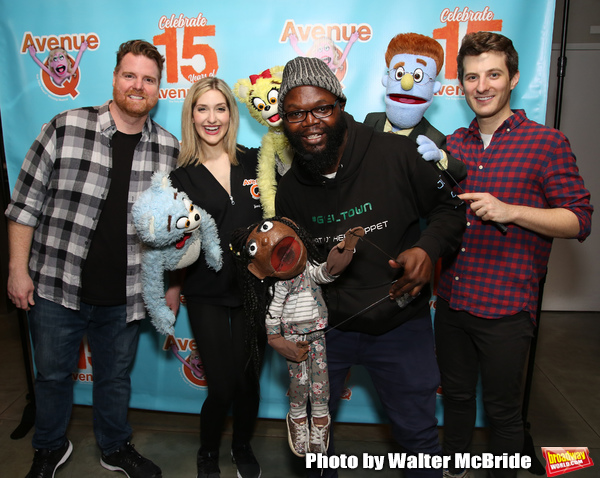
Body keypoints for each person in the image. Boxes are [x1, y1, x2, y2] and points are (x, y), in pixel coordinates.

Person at [274, 56, 467, 478]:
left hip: (400, 322)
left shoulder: (397, 153)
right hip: (326, 330)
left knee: (418, 439)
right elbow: (296, 270)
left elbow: (450, 212)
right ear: (283, 121)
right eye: (295, 114)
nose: (310, 122)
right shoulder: (289, 189)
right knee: (312, 444)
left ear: (340, 105)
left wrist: (427, 248)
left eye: (321, 108)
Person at [6, 39, 180, 478]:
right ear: (115, 78)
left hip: (125, 295)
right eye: (130, 75)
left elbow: (176, 231)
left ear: (159, 89)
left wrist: (172, 287)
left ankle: (114, 447)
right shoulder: (65, 127)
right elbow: (24, 206)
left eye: (149, 79)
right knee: (51, 378)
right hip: (54, 286)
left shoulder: (169, 149)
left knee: (115, 379)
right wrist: (16, 270)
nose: (138, 85)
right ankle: (49, 447)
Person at [434, 32, 593, 478]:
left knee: (504, 413)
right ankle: (453, 468)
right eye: (471, 77)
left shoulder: (546, 143)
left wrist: (511, 211)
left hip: (506, 307)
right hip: (451, 299)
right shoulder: (451, 146)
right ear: (461, 84)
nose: (482, 86)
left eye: (493, 75)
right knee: (458, 398)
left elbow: (579, 220)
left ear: (514, 79)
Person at [167, 77, 264, 478]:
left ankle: (241, 447)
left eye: (220, 108)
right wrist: (172, 287)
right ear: (191, 115)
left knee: (248, 380)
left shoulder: (257, 161)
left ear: (231, 113)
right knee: (221, 385)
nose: (212, 118)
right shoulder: (180, 177)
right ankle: (208, 452)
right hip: (205, 290)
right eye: (202, 108)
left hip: (256, 288)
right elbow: (171, 243)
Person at [230, 217, 363, 458]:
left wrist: (345, 249)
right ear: (257, 268)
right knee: (298, 383)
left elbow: (327, 272)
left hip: (317, 334)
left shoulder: (310, 271)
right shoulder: (278, 287)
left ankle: (321, 420)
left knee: (321, 380)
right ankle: (298, 418)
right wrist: (276, 339)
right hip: (292, 337)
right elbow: (272, 312)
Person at [364, 32, 466, 182]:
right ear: (387, 80)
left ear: (434, 88)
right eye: (399, 74)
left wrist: (440, 156)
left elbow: (459, 173)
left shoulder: (434, 138)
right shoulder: (371, 120)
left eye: (418, 77)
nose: (407, 83)